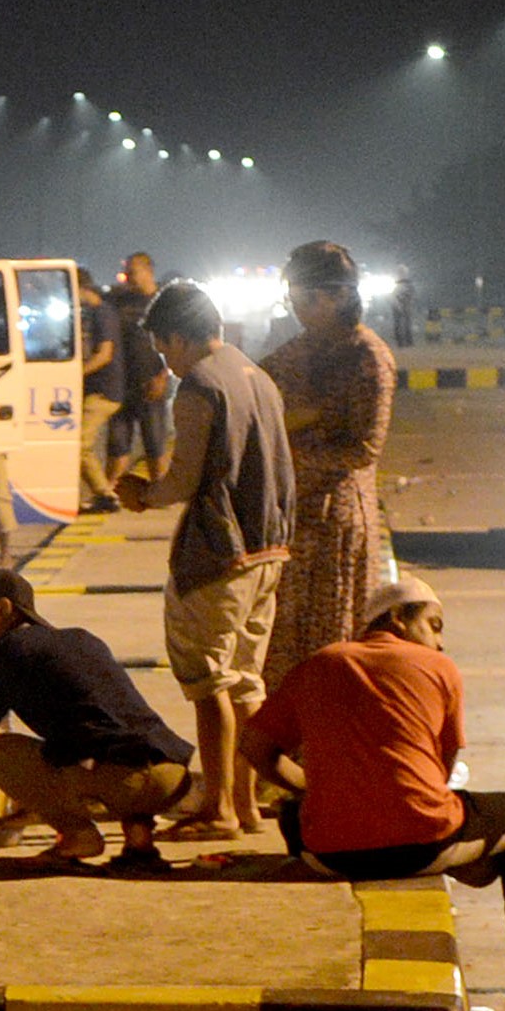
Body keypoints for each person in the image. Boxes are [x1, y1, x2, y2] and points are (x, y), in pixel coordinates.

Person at [241, 576, 505, 993]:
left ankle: (440, 854)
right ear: (400, 619)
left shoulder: (317, 665)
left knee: (295, 812)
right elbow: (439, 771)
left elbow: (256, 747)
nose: (439, 642)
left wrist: (309, 787)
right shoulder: (440, 668)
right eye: (434, 625)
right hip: (420, 843)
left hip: (329, 853)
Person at [117, 280, 292, 840]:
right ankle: (244, 804)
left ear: (178, 336)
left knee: (206, 680)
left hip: (221, 552)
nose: (165, 363)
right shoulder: (257, 376)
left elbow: (184, 479)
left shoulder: (199, 386)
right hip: (270, 549)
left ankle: (217, 809)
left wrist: (142, 493)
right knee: (245, 682)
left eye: (164, 349)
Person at [0, 568, 194, 870]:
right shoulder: (79, 639)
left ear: (3, 609)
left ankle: (79, 837)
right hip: (173, 776)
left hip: (127, 780)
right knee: (104, 742)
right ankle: (138, 841)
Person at [258, 241, 394, 694]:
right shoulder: (297, 352)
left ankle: (324, 761)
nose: (295, 310)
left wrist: (291, 447)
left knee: (329, 653)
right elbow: (256, 393)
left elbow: (364, 449)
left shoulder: (366, 357)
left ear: (333, 297)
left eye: (301, 299)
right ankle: (282, 760)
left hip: (336, 528)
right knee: (280, 657)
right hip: (292, 523)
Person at [108, 252, 169, 488]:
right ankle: (108, 493)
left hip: (151, 382)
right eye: (127, 272)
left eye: (133, 272)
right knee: (117, 443)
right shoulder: (119, 301)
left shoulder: (162, 303)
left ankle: (160, 489)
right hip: (122, 384)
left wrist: (163, 377)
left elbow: (175, 342)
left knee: (154, 443)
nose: (129, 277)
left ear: (148, 271)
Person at [76, 272, 125, 512]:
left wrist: (76, 374)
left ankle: (105, 495)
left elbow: (104, 355)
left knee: (79, 444)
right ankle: (103, 493)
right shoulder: (92, 314)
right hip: (95, 390)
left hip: (104, 391)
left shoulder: (103, 314)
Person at [390, 270, 418, 349]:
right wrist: (398, 306)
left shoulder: (407, 285)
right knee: (401, 325)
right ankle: (402, 342)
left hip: (404, 307)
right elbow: (393, 297)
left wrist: (408, 305)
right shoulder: (397, 285)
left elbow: (412, 296)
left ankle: (406, 341)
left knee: (406, 325)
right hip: (399, 307)